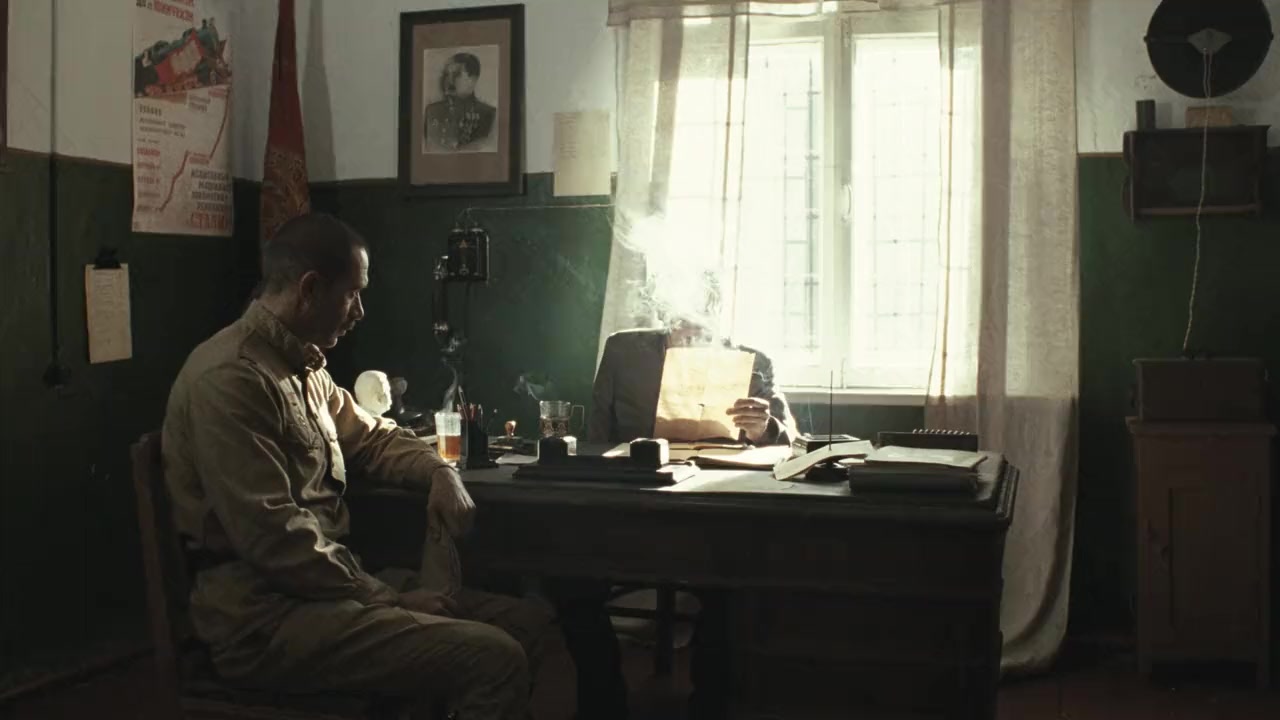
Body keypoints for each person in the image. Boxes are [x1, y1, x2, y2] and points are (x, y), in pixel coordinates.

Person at [162, 212, 549, 720]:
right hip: (265, 621)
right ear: (309, 289)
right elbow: (274, 538)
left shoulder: (303, 367)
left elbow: (372, 437)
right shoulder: (232, 378)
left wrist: (439, 471)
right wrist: (386, 599)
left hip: (325, 595)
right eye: (352, 294)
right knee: (495, 661)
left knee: (527, 624)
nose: (361, 311)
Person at [552, 288, 796, 720]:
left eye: (702, 318)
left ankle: (709, 702)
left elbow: (790, 440)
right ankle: (604, 697)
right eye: (682, 319)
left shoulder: (751, 360)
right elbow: (596, 437)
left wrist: (764, 428)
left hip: (709, 509)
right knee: (569, 580)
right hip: (629, 502)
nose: (690, 330)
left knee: (732, 589)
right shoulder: (625, 351)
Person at [424, 52, 497, 152]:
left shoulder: (488, 114)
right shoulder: (432, 111)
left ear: (473, 80)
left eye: (456, 74)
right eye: (447, 74)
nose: (449, 81)